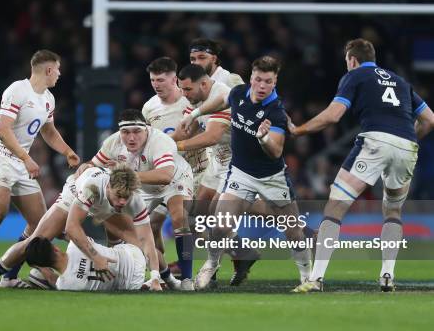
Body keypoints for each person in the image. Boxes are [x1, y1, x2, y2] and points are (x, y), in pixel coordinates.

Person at [290, 38, 434, 292]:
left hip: (375, 141)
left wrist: (300, 130)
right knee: (392, 212)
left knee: (335, 205)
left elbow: (333, 115)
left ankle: (316, 278)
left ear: (352, 59)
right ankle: (387, 275)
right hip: (407, 146)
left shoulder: (355, 76)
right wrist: (407, 139)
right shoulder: (401, 82)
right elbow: (430, 120)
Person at [182, 56, 313, 290]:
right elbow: (223, 100)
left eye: (269, 82)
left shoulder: (276, 112)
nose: (262, 86)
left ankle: (307, 276)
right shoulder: (239, 92)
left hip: (272, 178)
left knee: (292, 230)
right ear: (251, 77)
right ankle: (211, 264)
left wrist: (263, 138)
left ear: (275, 83)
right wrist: (194, 114)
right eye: (259, 80)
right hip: (241, 173)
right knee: (220, 225)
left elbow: (276, 151)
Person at [0, 49, 80, 289]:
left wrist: (67, 151)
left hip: (21, 162)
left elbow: (48, 131)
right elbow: (2, 129)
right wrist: (26, 158)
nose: (59, 74)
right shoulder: (17, 90)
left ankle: (9, 277)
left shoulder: (48, 99)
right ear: (49, 70)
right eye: (58, 69)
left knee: (39, 224)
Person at [0, 164, 163, 291]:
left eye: (126, 197)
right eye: (119, 196)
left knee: (137, 241)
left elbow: (147, 239)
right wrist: (96, 258)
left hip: (103, 207)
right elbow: (72, 227)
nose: (123, 201)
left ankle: (163, 279)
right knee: (35, 241)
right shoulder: (92, 187)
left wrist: (153, 275)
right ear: (110, 186)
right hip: (73, 199)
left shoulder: (132, 199)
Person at [85, 109, 195, 289]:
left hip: (175, 181)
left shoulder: (160, 141)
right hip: (142, 186)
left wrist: (125, 173)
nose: (131, 138)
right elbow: (93, 164)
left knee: (179, 217)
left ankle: (187, 280)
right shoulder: (112, 142)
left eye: (137, 131)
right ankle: (160, 276)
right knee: (124, 226)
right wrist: (85, 167)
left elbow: (165, 175)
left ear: (147, 129)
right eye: (125, 132)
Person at [141, 57, 207, 284]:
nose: (156, 84)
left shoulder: (191, 103)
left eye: (161, 80)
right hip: (163, 173)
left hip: (195, 171)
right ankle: (164, 275)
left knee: (184, 219)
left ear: (174, 78)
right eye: (152, 80)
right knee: (152, 224)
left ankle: (190, 276)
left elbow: (204, 133)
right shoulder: (149, 108)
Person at [24, 237, 147, 291]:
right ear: (55, 248)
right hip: (134, 254)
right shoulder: (75, 244)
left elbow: (55, 280)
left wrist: (44, 271)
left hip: (132, 284)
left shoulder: (64, 286)